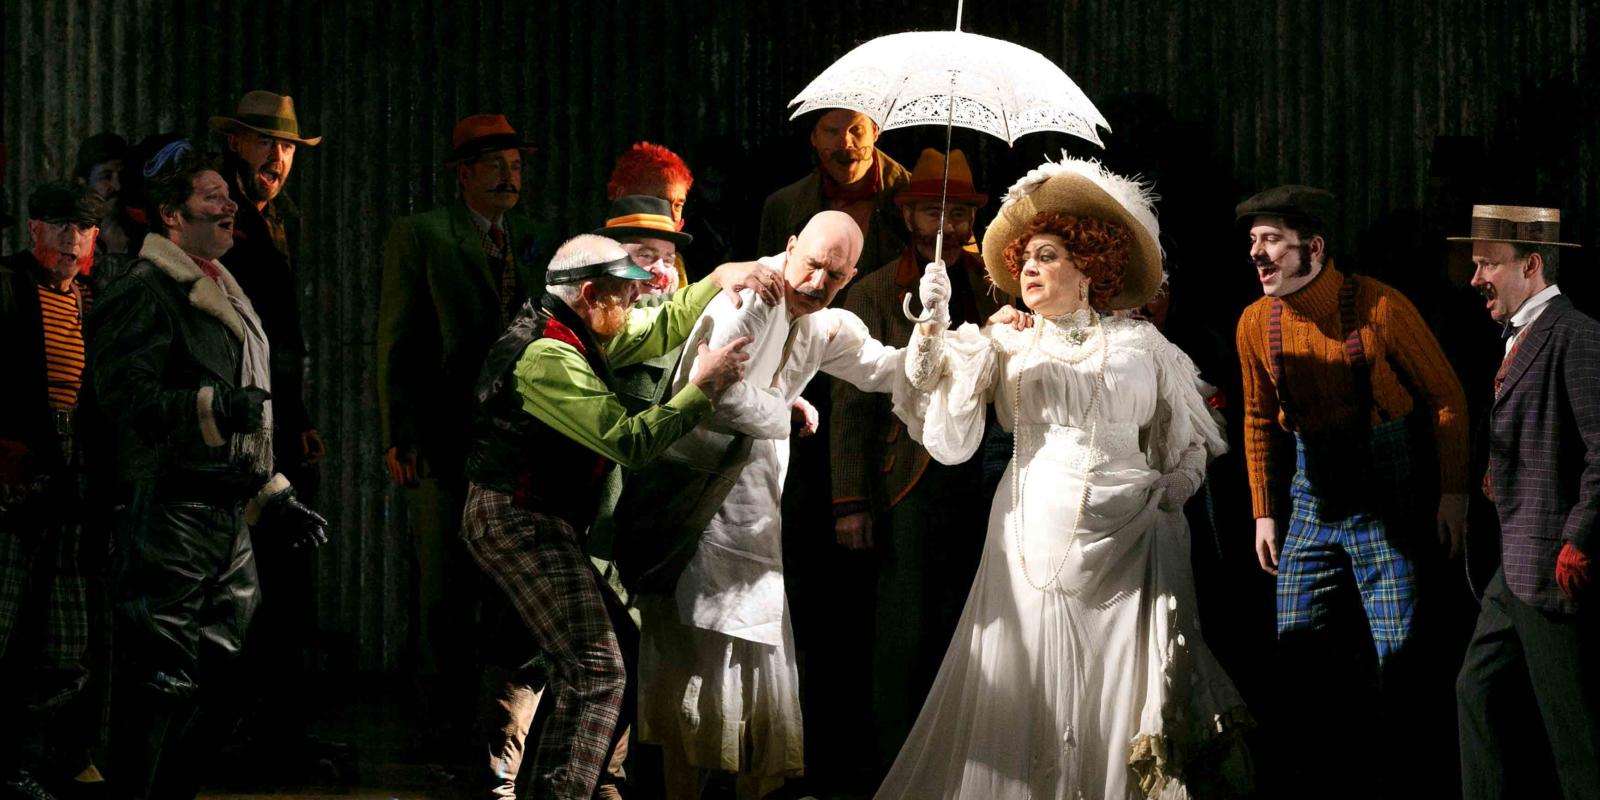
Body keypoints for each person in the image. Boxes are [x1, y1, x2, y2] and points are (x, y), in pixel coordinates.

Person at [877, 157, 1249, 799]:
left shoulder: (1144, 347)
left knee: (1120, 682)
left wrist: (1177, 487)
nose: (1029, 268)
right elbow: (928, 391)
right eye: (1025, 258)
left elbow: (1192, 439)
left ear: (1089, 270)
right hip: (1034, 530)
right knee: (1032, 680)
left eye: (1047, 257)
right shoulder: (1006, 342)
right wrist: (933, 320)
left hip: (1133, 535)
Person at [461, 233, 780, 799]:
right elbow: (629, 441)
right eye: (626, 292)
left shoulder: (579, 328)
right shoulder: (547, 354)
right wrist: (702, 388)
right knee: (596, 668)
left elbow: (657, 326)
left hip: (543, 519)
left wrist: (717, 277)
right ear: (590, 294)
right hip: (516, 519)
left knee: (610, 653)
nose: (638, 299)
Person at [636, 210, 922, 799]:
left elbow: (881, 367)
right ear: (790, 248)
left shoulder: (818, 321)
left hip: (755, 515)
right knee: (698, 664)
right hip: (701, 506)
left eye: (835, 276)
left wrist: (948, 339)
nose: (818, 282)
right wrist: (781, 413)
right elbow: (713, 393)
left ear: (851, 275)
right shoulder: (751, 296)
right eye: (812, 265)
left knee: (750, 659)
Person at [89, 140, 328, 800]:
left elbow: (249, 413)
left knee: (228, 679)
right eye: (212, 196)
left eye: (228, 195)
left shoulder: (223, 287)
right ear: (172, 214)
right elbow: (122, 398)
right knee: (161, 682)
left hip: (226, 517)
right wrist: (212, 406)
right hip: (169, 513)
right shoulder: (145, 291)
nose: (230, 206)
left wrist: (273, 491)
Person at [1234, 185, 1469, 796]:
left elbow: (1445, 397)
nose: (1257, 254)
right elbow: (1257, 419)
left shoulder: (1379, 305)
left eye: (1272, 241)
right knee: (1297, 653)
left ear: (1313, 248)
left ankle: (1410, 782)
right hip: (1312, 492)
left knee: (1401, 655)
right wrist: (1264, 512)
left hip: (1387, 491)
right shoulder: (1256, 322)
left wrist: (1453, 492)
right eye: (1253, 241)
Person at [375, 114, 555, 757]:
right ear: (464, 175)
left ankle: (497, 736)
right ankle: (441, 731)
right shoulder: (423, 234)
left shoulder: (535, 237)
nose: (510, 177)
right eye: (496, 166)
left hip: (519, 439)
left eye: (517, 166)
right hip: (445, 432)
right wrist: (401, 433)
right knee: (443, 586)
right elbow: (399, 336)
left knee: (509, 589)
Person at [828, 148, 1001, 768]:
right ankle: (897, 761)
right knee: (908, 621)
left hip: (989, 473)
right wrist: (849, 500)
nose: (947, 225)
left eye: (959, 214)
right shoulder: (877, 291)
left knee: (975, 617)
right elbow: (850, 406)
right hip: (909, 475)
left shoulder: (993, 284)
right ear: (907, 216)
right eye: (934, 212)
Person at [1452, 204, 1599, 799]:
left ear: (1531, 265)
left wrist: (1579, 538)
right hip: (1513, 564)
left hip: (1549, 564)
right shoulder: (1520, 333)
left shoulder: (1576, 335)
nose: (1476, 278)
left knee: (1573, 733)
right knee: (1475, 690)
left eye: (1488, 264)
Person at [0, 182, 102, 800]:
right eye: (60, 225)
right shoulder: (9, 286)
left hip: (71, 478)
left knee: (65, 634)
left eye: (82, 228)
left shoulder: (90, 300)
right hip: (15, 475)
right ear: (34, 228)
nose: (72, 238)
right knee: (6, 622)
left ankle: (37, 761)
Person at [757, 108, 909, 279]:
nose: (845, 143)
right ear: (814, 138)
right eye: (831, 131)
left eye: (856, 130)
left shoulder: (918, 201)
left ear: (874, 132)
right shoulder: (782, 206)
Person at [73, 132, 132, 258]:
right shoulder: (69, 238)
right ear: (83, 182)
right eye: (106, 177)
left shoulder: (141, 234)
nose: (118, 186)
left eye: (122, 176)